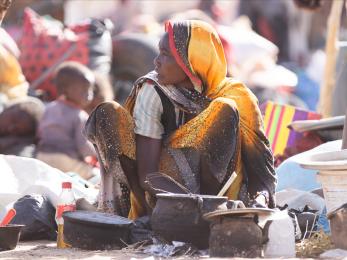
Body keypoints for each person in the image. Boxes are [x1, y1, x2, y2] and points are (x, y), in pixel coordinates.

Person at [85, 20, 277, 219]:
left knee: (225, 109)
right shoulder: (153, 90)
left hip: (216, 199)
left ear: (191, 61)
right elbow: (147, 175)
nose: (156, 61)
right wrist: (193, 203)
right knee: (108, 113)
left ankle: (211, 216)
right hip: (161, 194)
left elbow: (260, 169)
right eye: (159, 52)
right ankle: (145, 218)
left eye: (166, 54)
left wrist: (260, 199)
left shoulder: (235, 96)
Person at [36, 61, 98, 180]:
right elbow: (83, 146)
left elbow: (40, 132)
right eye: (84, 90)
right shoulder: (79, 115)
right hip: (66, 160)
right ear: (65, 90)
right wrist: (98, 153)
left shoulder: (49, 108)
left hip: (42, 156)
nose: (89, 95)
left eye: (90, 90)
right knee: (94, 175)